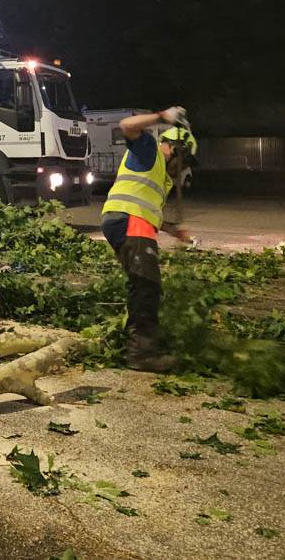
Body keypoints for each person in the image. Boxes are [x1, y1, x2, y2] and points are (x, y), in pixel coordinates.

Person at [100, 106, 193, 372]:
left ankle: (137, 346)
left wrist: (173, 230)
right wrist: (162, 117)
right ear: (174, 148)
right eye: (183, 160)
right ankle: (141, 355)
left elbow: (147, 208)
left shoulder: (159, 174)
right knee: (146, 285)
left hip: (128, 222)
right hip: (130, 223)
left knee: (143, 285)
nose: (181, 168)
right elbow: (127, 124)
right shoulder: (149, 149)